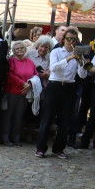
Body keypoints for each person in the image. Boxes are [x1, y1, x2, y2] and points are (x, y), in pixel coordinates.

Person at [35, 27, 86, 159]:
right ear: (64, 39)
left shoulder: (78, 54)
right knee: (47, 118)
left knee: (65, 121)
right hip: (55, 86)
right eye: (68, 38)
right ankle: (41, 148)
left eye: (73, 39)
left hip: (69, 87)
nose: (71, 41)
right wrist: (69, 58)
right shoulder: (56, 51)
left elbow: (82, 75)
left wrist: (81, 62)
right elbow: (53, 68)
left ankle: (59, 149)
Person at [0, 39, 36, 145]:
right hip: (11, 92)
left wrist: (30, 84)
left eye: (22, 48)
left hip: (24, 93)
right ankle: (5, 138)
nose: (20, 50)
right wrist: (22, 83)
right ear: (14, 51)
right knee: (8, 116)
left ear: (25, 49)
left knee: (19, 117)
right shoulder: (11, 61)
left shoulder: (30, 62)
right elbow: (9, 75)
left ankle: (16, 138)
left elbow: (35, 76)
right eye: (17, 48)